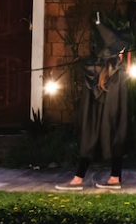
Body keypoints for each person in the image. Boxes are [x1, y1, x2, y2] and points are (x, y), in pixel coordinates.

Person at [55, 21, 131, 191]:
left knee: (108, 139)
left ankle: (91, 178)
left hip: (106, 118)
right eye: (120, 50)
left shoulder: (109, 70)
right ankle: (107, 177)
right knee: (109, 139)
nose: (122, 54)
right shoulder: (105, 70)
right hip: (104, 118)